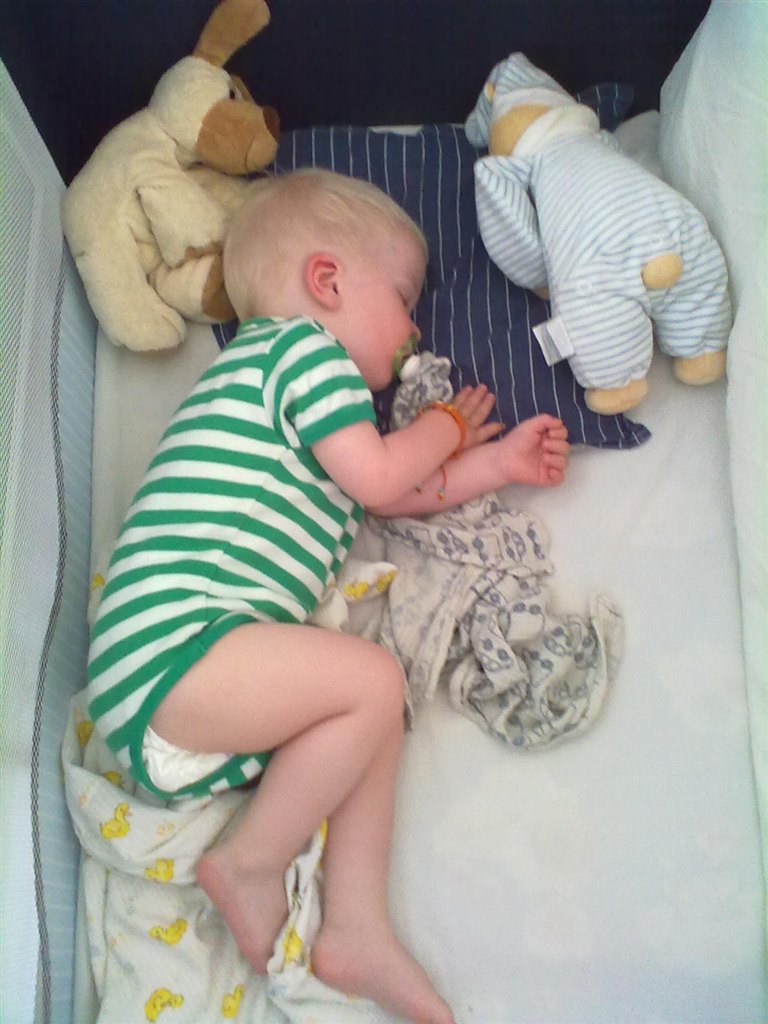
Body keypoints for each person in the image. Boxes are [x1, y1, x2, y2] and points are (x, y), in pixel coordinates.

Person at [87, 167, 569, 1023]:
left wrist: (496, 464)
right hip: (174, 654)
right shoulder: (300, 354)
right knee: (373, 681)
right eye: (404, 299)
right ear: (326, 282)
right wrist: (445, 425)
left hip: (185, 696)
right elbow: (383, 477)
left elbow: (386, 495)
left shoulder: (309, 416)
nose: (415, 330)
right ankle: (249, 862)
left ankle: (354, 926)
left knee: (374, 705)